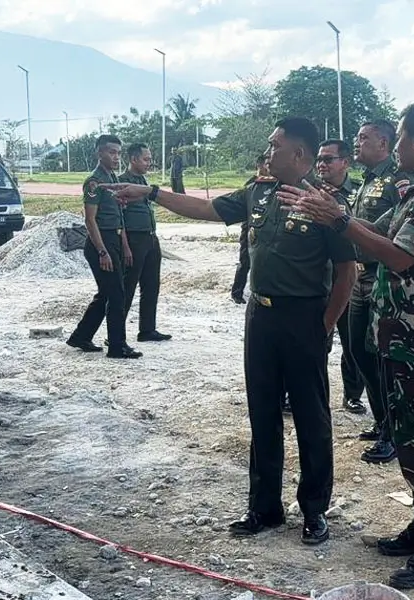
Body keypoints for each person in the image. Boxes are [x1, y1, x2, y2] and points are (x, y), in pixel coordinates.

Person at [105, 117, 357, 546]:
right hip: (260, 317)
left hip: (304, 319)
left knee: (312, 418)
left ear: (299, 154)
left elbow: (347, 273)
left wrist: (326, 324)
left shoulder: (325, 203)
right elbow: (205, 209)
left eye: (275, 145)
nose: (268, 151)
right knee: (262, 413)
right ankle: (264, 508)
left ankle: (314, 511)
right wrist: (151, 193)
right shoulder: (257, 192)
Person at [278, 99, 414, 590]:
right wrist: (334, 213)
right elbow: (377, 233)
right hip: (404, 335)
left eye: (401, 137)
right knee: (407, 436)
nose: (395, 144)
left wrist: (338, 221)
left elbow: (401, 257)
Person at [345, 120, 414, 464]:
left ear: (384, 144)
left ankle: (392, 431)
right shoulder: (367, 181)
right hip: (358, 278)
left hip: (381, 278)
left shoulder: (399, 182)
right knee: (359, 352)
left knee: (381, 358)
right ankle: (382, 420)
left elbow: (396, 232)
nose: (356, 143)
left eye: (363, 138)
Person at [65, 135, 142, 359]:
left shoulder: (112, 178)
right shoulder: (94, 182)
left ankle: (81, 336)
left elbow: (119, 215)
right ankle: (117, 346)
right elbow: (90, 220)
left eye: (118, 152)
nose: (116, 157)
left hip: (115, 239)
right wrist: (102, 252)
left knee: (107, 293)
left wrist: (125, 246)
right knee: (117, 295)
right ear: (99, 153)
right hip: (101, 242)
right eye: (111, 152)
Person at [315, 139, 366, 415]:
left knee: (352, 340)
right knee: (316, 338)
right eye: (320, 159)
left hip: (350, 275)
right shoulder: (309, 189)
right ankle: (308, 390)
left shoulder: (358, 192)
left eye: (328, 159)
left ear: (344, 162)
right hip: (321, 276)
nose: (322, 164)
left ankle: (353, 394)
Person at [118, 143, 170, 343]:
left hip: (150, 237)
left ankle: (147, 330)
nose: (149, 162)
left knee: (151, 286)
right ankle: (116, 332)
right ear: (133, 159)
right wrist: (125, 246)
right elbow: (119, 218)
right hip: (133, 239)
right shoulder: (122, 183)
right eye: (146, 159)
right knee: (127, 287)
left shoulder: (142, 181)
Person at [231, 155, 270, 304]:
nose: (268, 168)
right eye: (265, 165)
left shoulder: (273, 183)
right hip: (249, 227)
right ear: (259, 166)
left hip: (264, 227)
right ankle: (236, 293)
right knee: (245, 261)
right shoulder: (251, 184)